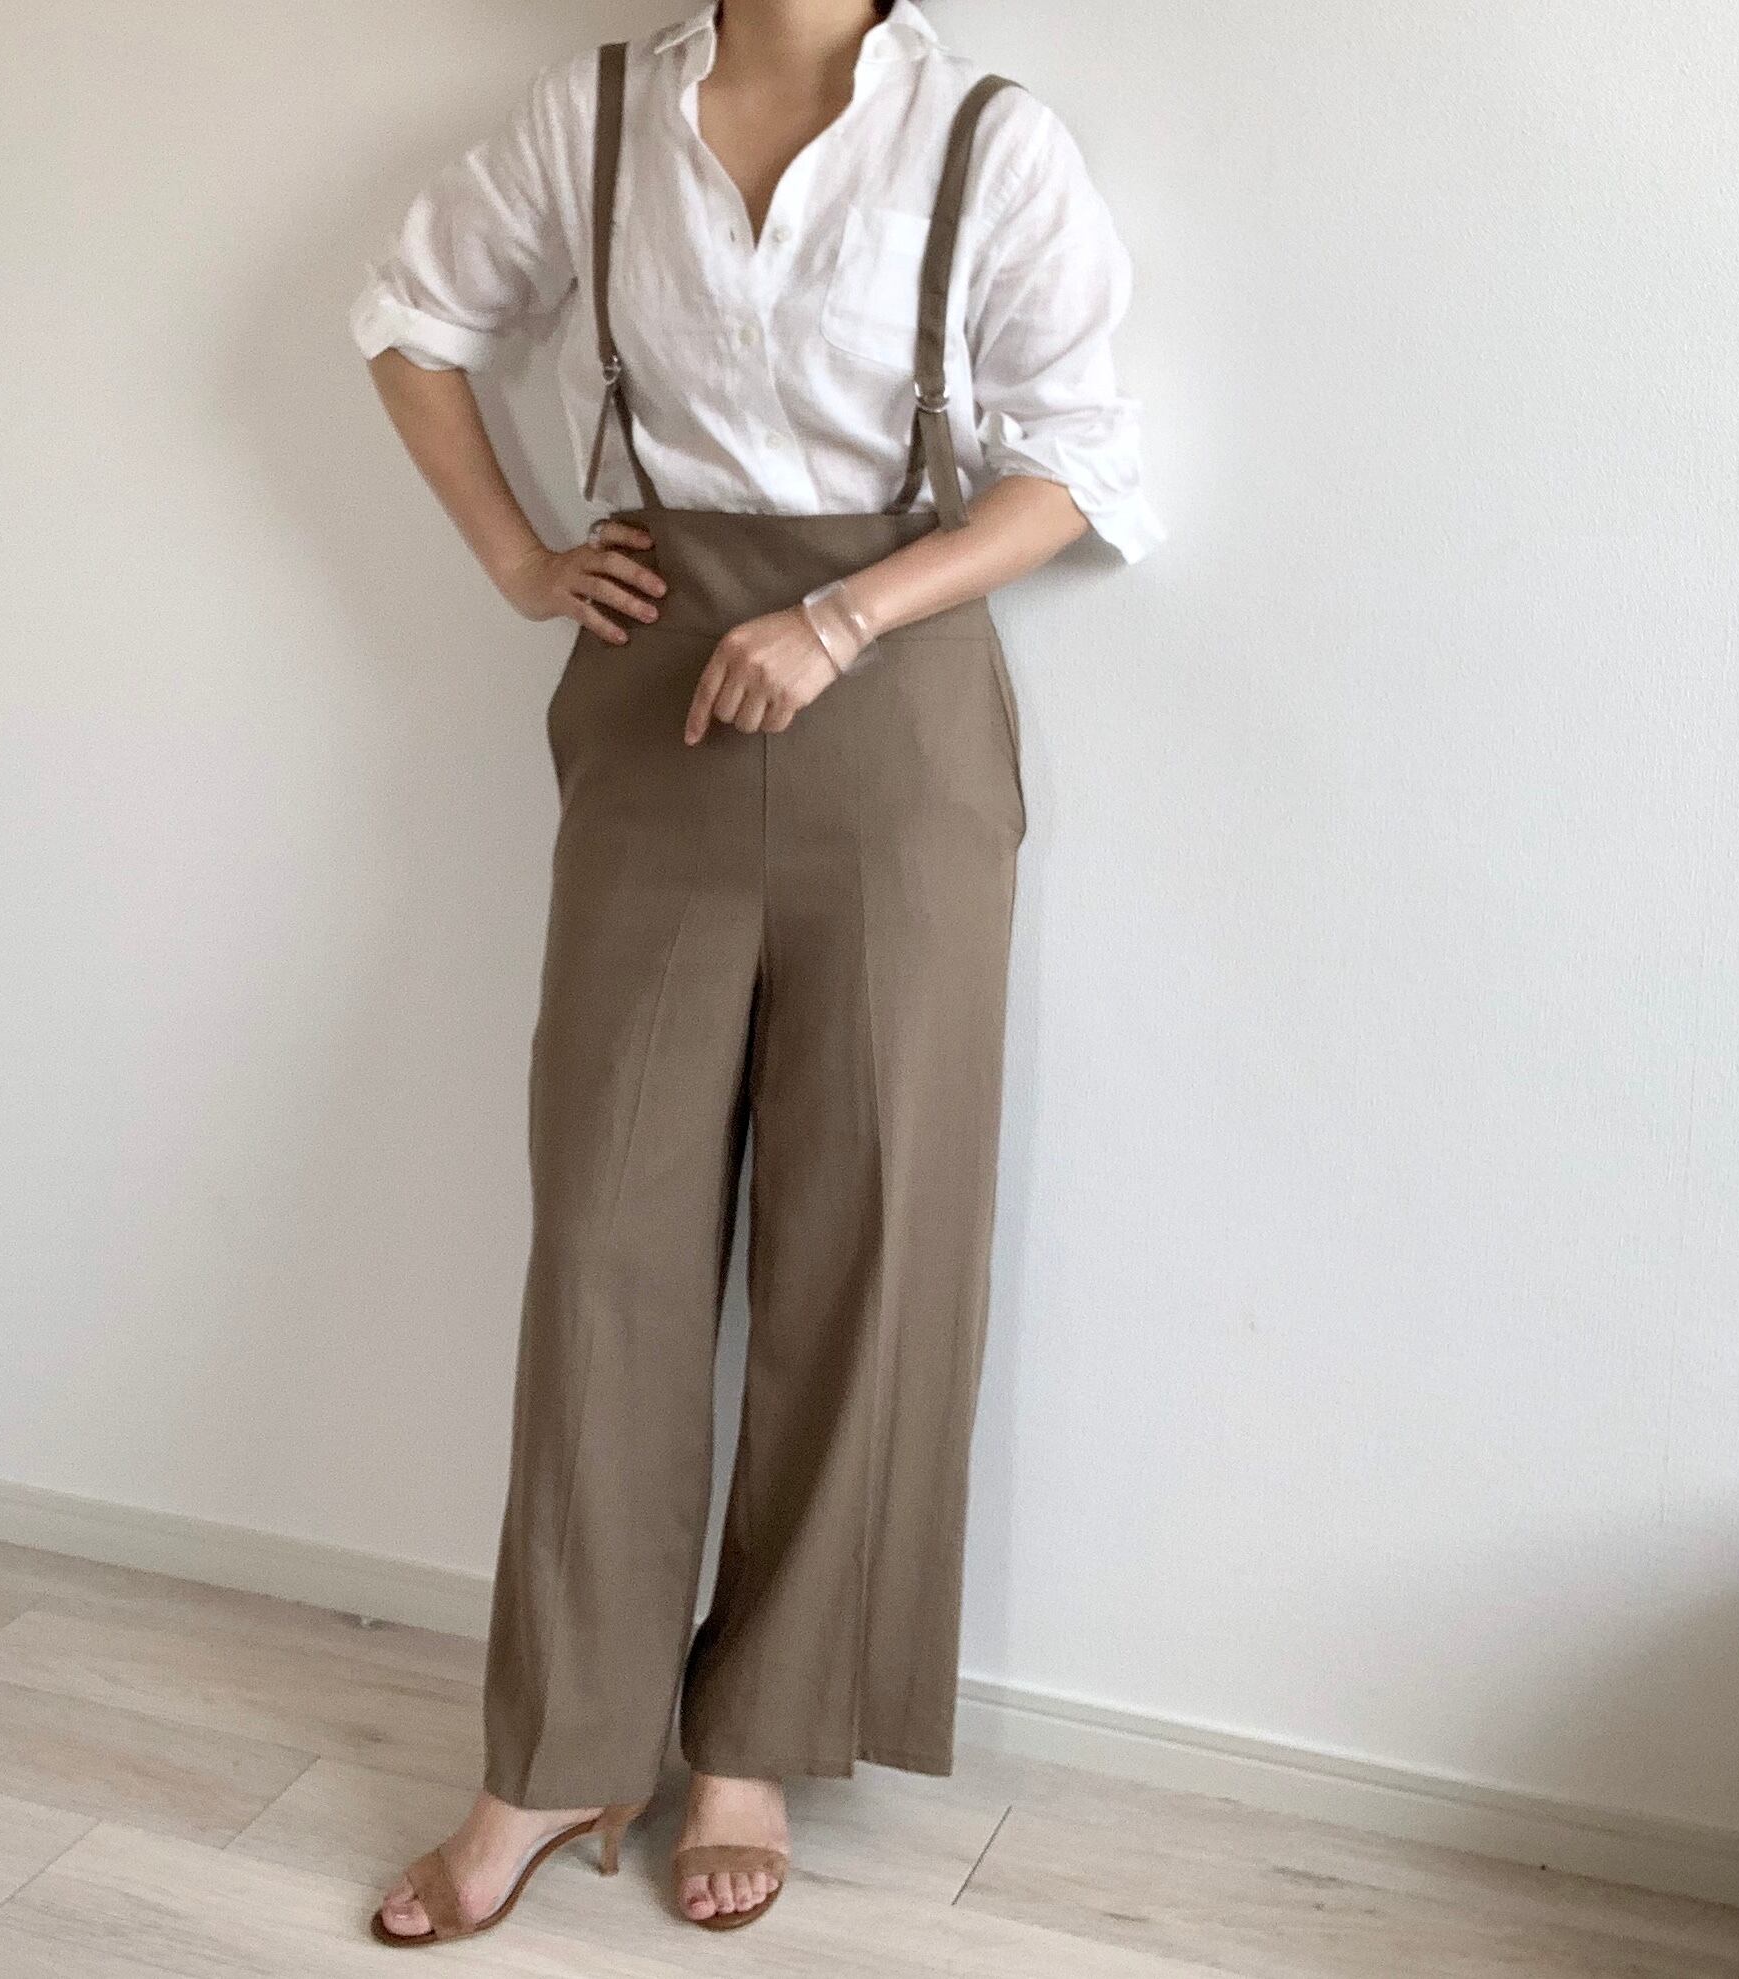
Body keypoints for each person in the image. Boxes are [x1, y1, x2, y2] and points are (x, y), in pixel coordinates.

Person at [352, 0, 1160, 1945]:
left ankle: (756, 1743)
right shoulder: (595, 111)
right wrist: (522, 561)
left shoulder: (987, 136)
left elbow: (1079, 470)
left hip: (898, 716)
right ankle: (555, 1753)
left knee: (868, 1236)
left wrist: (844, 619)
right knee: (606, 1236)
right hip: (658, 698)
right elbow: (407, 321)